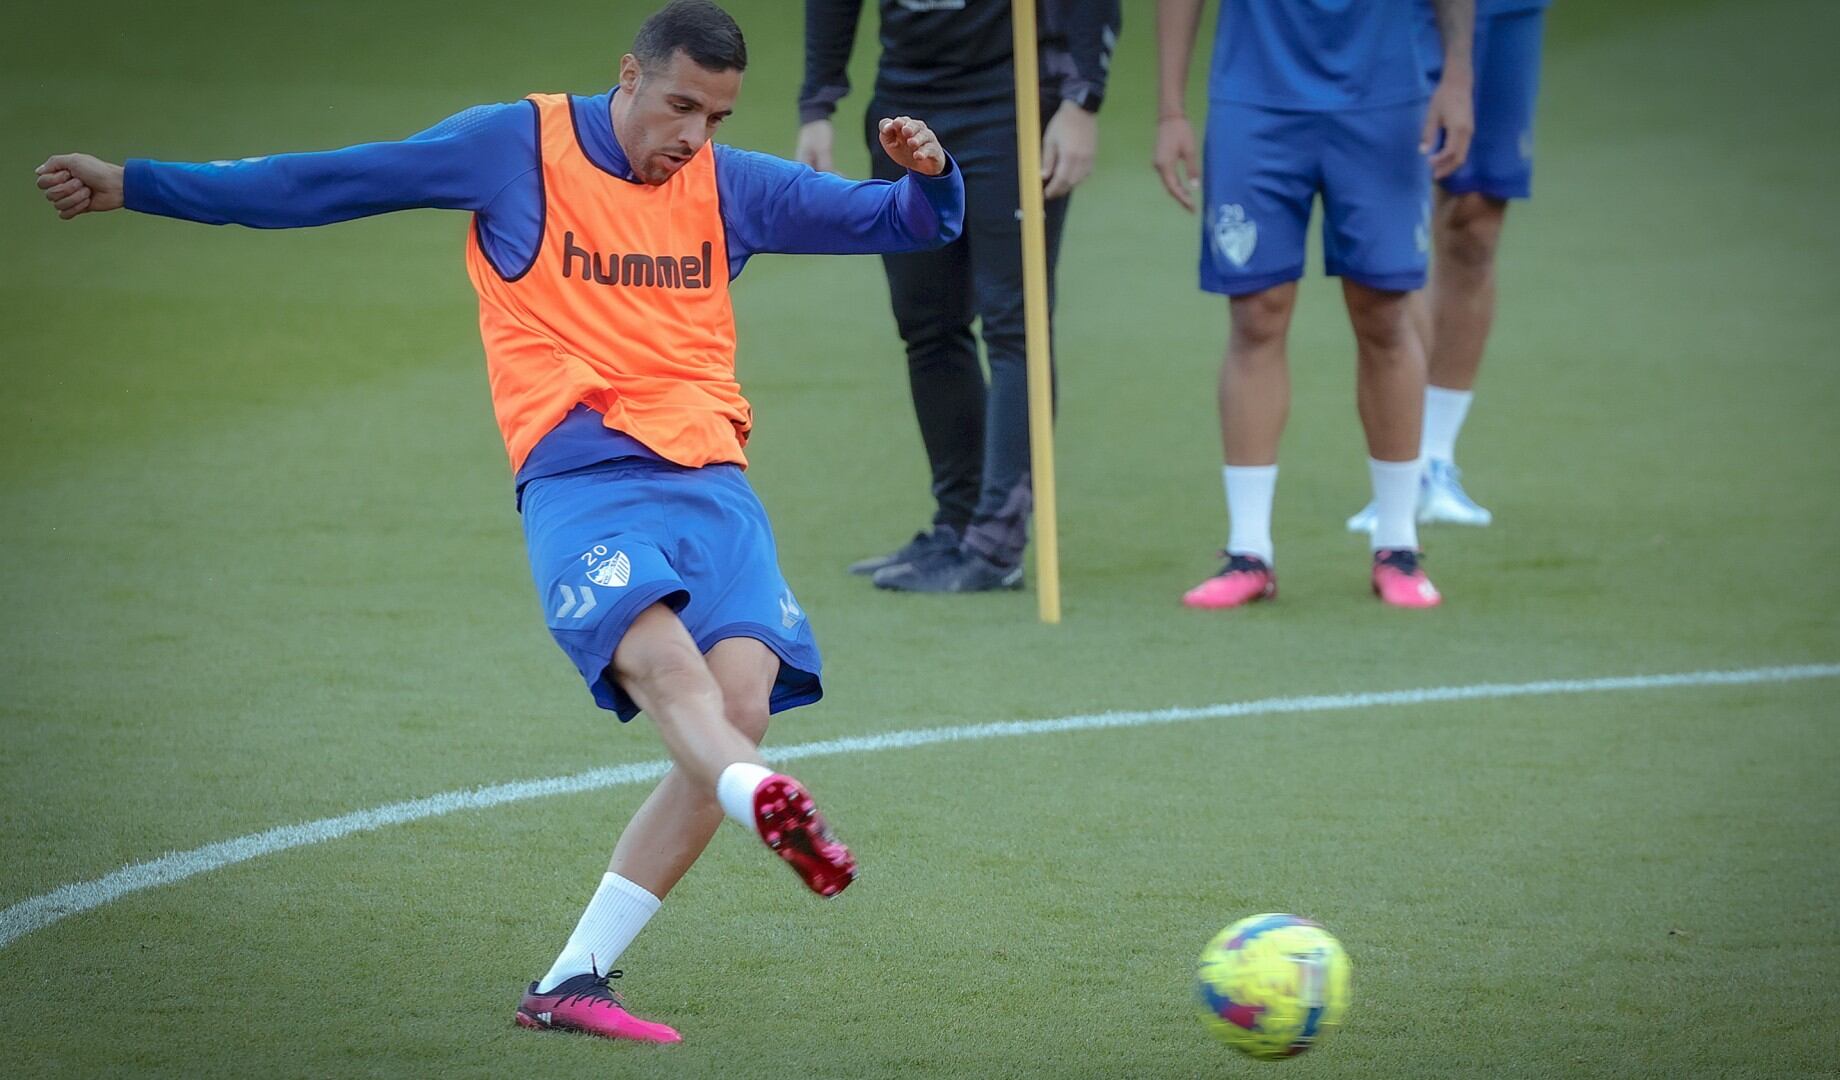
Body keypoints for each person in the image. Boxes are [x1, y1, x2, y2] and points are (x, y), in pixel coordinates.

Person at [34, 0, 962, 1044]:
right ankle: (761, 802)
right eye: (679, 105)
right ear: (629, 74)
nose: (693, 134)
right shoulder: (512, 146)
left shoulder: (726, 182)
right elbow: (324, 180)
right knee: (669, 675)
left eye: (716, 113)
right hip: (583, 477)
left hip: (713, 482)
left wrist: (926, 172)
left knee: (739, 702)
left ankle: (575, 979)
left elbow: (904, 224)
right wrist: (136, 184)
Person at [1154, 0, 1475, 610]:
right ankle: (1248, 551)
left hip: (1384, 94)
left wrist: (1457, 77)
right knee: (1256, 312)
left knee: (1384, 310)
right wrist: (1170, 107)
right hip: (1255, 95)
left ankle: (1398, 544)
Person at [796, 0, 1121, 592]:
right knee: (927, 324)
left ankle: (996, 544)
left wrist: (1083, 100)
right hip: (906, 108)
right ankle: (958, 524)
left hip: (1015, 103)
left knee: (1013, 324)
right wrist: (817, 105)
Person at [1348, 0, 1551, 533]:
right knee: (1398, 221)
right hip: (1400, 14)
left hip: (1504, 9)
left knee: (1477, 222)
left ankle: (1436, 459)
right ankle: (1402, 467)